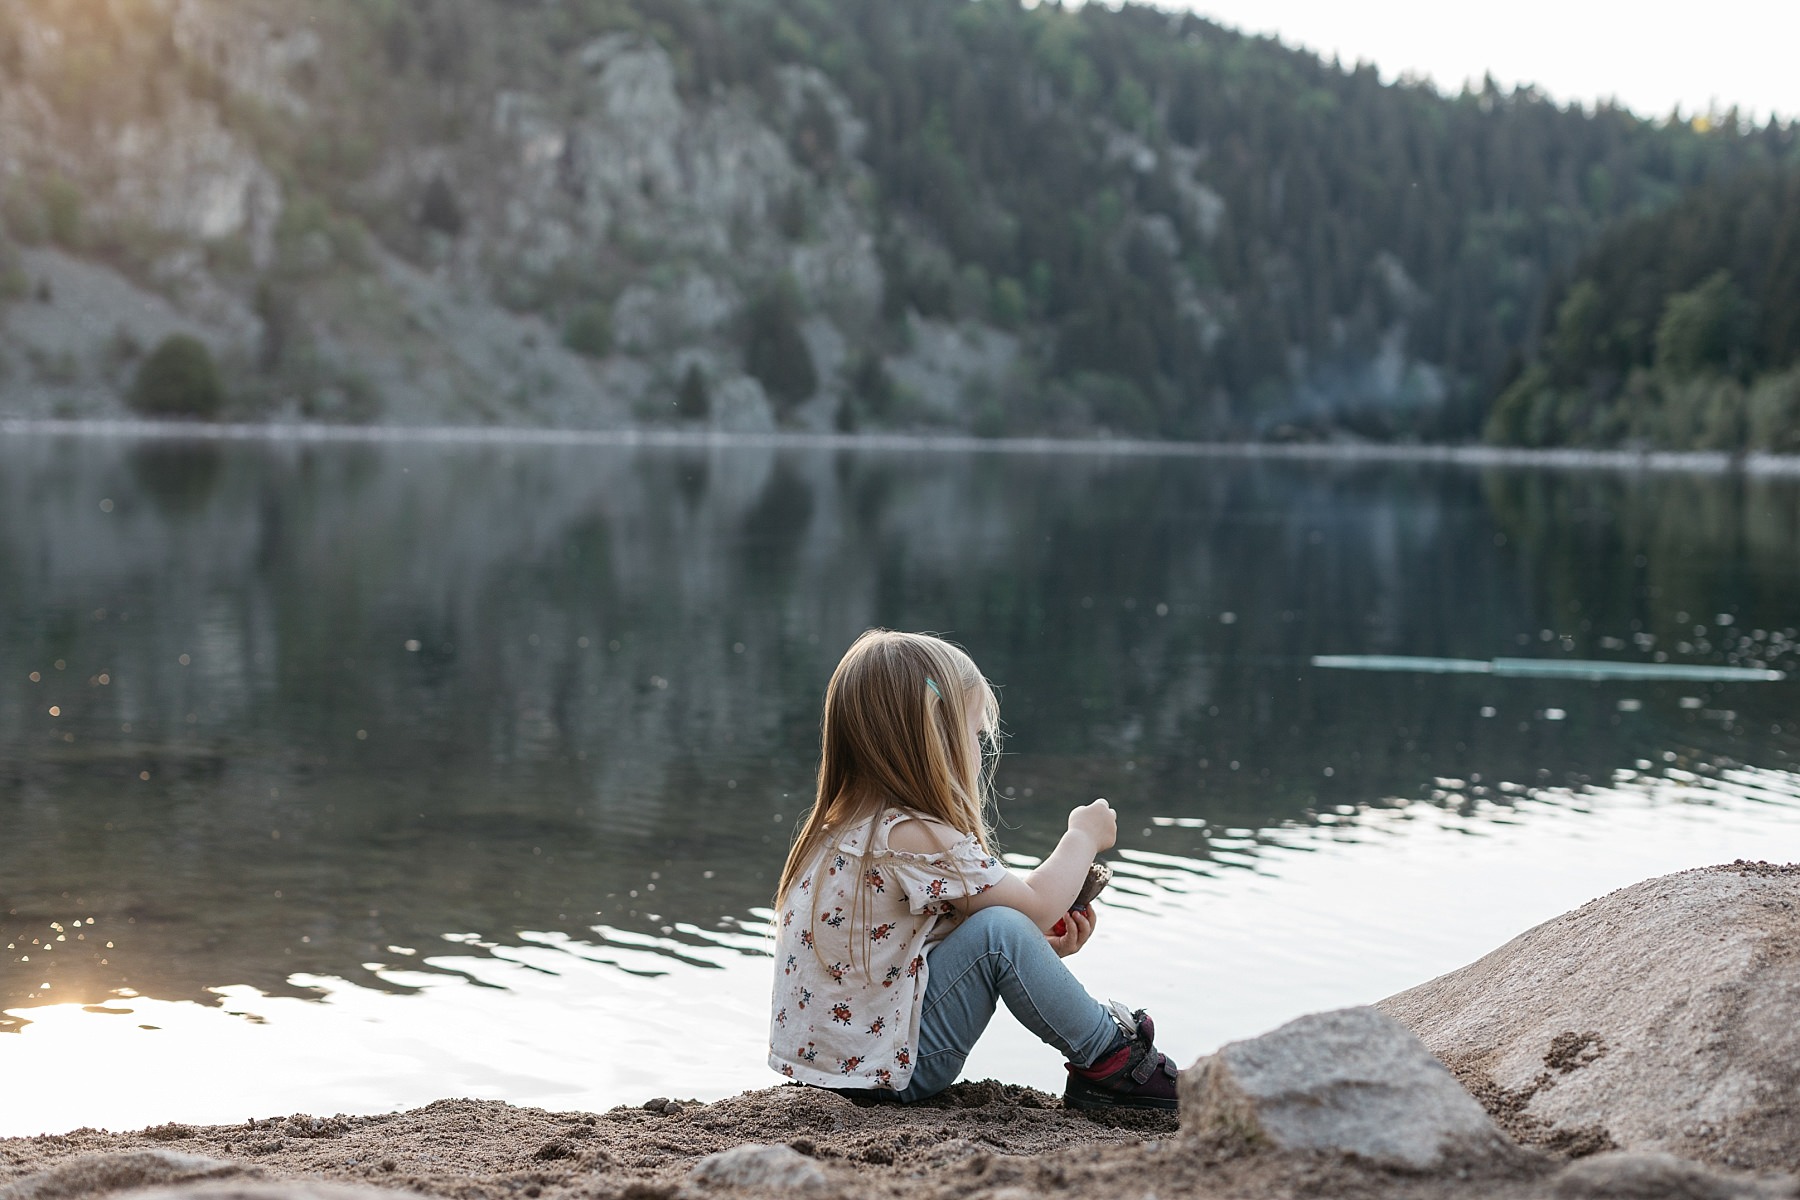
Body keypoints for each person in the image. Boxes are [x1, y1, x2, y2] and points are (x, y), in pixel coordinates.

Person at [767, 629, 1179, 1109]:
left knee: (1003, 932)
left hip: (837, 1068)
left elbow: (908, 942)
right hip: (889, 1074)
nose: (977, 748)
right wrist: (1082, 837)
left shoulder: (838, 829)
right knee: (1003, 930)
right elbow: (1037, 908)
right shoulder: (910, 834)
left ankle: (1108, 1055)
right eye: (973, 732)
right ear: (934, 736)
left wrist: (1037, 958)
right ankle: (1114, 1061)